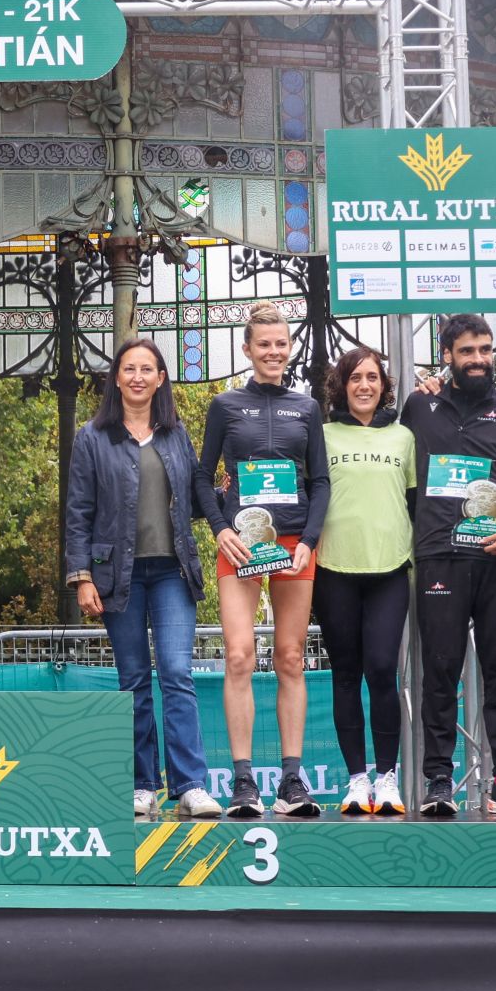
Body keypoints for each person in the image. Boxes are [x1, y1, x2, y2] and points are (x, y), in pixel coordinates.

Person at [67, 339, 223, 820]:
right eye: (128, 368)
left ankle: (191, 786)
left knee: (177, 674)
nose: (137, 376)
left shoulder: (176, 435)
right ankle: (141, 785)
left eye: (147, 369)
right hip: (119, 576)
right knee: (133, 679)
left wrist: (226, 491)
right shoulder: (92, 436)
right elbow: (78, 512)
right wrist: (81, 577)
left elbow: (193, 497)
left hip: (173, 572)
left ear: (160, 379)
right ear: (116, 378)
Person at [403, 314, 496, 818]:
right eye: (468, 351)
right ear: (447, 355)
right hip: (439, 557)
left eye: (485, 349)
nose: (479, 359)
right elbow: (400, 474)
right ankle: (438, 781)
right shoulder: (419, 406)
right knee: (439, 671)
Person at [195, 302, 330, 818]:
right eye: (264, 344)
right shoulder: (225, 405)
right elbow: (202, 477)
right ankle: (244, 782)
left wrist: (309, 541)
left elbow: (320, 480)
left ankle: (293, 782)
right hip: (244, 544)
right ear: (248, 349)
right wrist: (221, 529)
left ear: (289, 347)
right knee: (238, 656)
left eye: (281, 343)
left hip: (294, 542)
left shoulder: (307, 408)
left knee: (292, 658)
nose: (273, 351)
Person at [314, 346, 415, 815]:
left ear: (384, 384)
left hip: (390, 570)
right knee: (346, 674)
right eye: (355, 377)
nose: (364, 386)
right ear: (342, 384)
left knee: (381, 669)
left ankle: (387, 779)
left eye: (373, 377)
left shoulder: (404, 438)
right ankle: (357, 782)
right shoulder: (322, 435)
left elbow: (416, 502)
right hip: (333, 570)